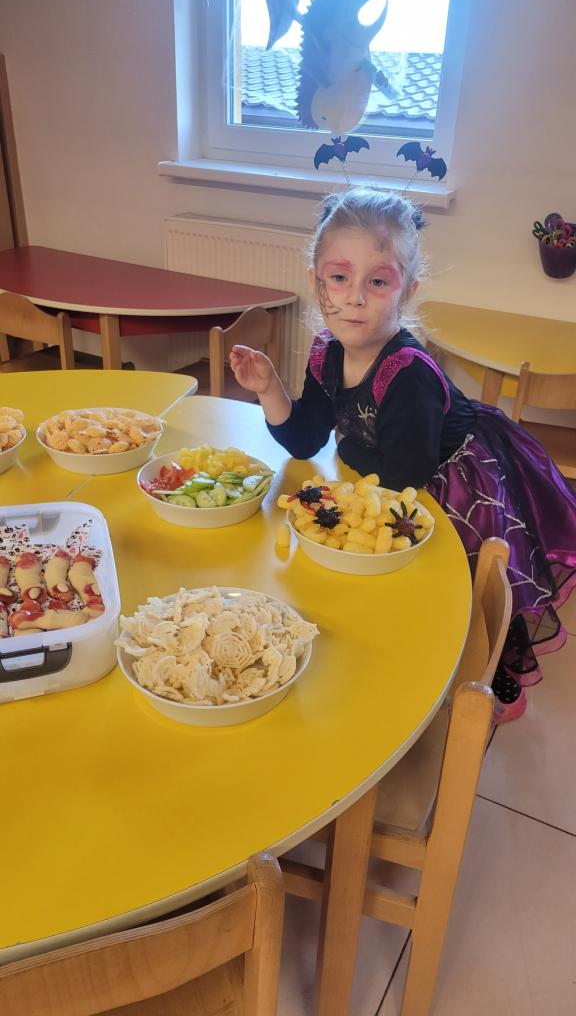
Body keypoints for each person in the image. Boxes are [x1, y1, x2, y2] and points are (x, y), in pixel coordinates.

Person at [230, 188, 576, 722]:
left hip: (453, 482)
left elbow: (403, 482)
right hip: (388, 480)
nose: (354, 298)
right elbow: (305, 440)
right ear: (316, 281)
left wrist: (335, 494)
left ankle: (496, 668)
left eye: (378, 281)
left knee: (466, 583)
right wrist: (269, 388)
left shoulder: (408, 375)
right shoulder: (326, 353)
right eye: (339, 277)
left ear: (407, 292)